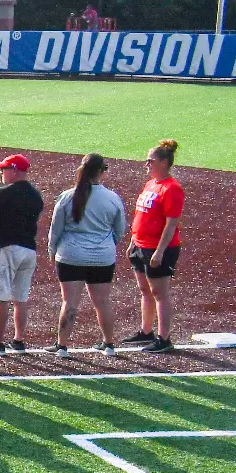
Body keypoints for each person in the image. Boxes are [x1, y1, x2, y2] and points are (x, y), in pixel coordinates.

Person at [49, 153, 126, 357]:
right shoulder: (112, 197)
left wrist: (52, 250)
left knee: (69, 302)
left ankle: (62, 346)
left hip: (70, 255)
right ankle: (109, 344)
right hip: (102, 257)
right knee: (103, 302)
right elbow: (120, 229)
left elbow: (55, 229)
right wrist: (106, 244)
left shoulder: (67, 196)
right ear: (101, 172)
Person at [0, 154, 42, 354]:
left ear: (14, 171)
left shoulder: (4, 193)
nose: (2, 173)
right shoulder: (35, 195)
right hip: (28, 249)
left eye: (4, 169)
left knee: (1, 298)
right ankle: (18, 340)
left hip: (6, 249)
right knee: (20, 298)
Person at [127, 139, 184, 353]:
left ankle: (164, 338)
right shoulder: (151, 184)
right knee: (145, 290)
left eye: (150, 160)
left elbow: (171, 224)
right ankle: (146, 331)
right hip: (141, 245)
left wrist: (160, 251)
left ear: (162, 162)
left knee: (160, 293)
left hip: (158, 248)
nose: (146, 164)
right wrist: (133, 241)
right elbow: (142, 215)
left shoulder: (172, 189)